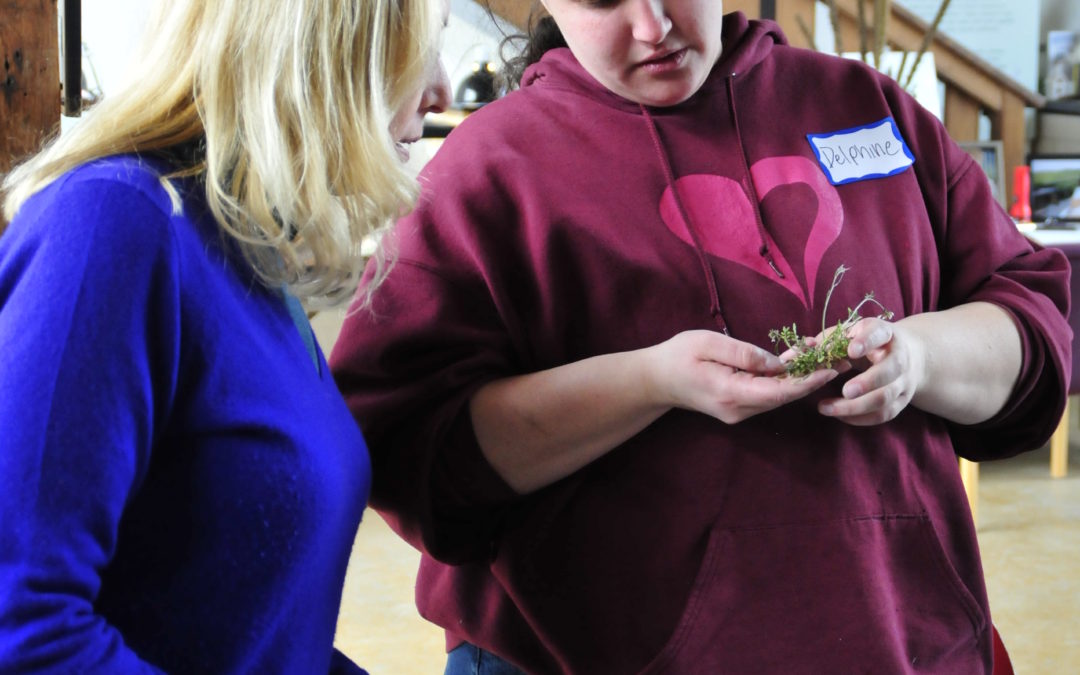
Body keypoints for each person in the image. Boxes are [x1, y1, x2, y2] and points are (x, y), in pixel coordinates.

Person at [329, 2, 1071, 673]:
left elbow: (1035, 320)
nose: (653, 26)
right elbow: (409, 445)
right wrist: (650, 382)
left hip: (903, 639)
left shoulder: (866, 108)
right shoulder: (485, 174)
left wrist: (919, 357)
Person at [0, 0, 451, 671]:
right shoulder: (114, 222)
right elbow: (23, 625)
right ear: (327, 47)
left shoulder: (246, 254)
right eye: (423, 47)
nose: (442, 88)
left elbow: (248, 627)